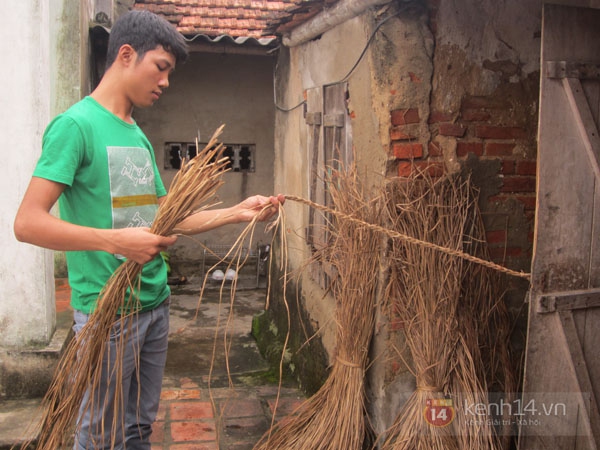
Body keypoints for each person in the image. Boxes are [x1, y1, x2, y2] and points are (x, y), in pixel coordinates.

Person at [13, 10, 284, 450]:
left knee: (138, 428)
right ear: (125, 55)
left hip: (155, 304)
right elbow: (27, 224)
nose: (165, 82)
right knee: (100, 435)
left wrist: (239, 213)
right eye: (161, 68)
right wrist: (115, 241)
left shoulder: (136, 134)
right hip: (108, 313)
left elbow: (165, 221)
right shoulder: (74, 127)